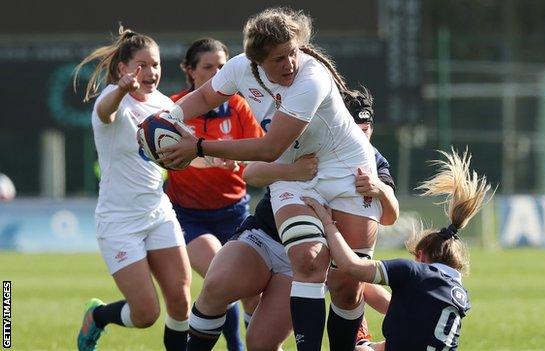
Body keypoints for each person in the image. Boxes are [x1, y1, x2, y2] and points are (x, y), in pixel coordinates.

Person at [159, 8, 383, 350]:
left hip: (345, 176)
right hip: (295, 177)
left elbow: (269, 146)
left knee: (347, 285)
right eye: (279, 58)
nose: (291, 63)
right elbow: (205, 96)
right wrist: (168, 117)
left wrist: (199, 147)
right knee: (299, 264)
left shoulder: (312, 77)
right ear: (257, 61)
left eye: (293, 52)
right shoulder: (238, 68)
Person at [181, 86, 398, 350]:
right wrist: (291, 170)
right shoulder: (304, 136)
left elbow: (388, 217)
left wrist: (381, 190)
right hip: (266, 237)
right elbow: (251, 174)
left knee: (260, 343)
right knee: (217, 284)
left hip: (308, 261)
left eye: (366, 130)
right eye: (354, 129)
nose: (360, 137)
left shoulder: (375, 163)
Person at [73, 26, 192, 351]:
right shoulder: (113, 101)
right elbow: (105, 111)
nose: (151, 71)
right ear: (124, 68)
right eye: (142, 64)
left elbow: (180, 153)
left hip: (158, 213)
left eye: (155, 64)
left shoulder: (164, 104)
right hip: (119, 223)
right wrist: (121, 90)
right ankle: (97, 317)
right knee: (145, 314)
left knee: (181, 300)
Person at [303, 148, 492, 350]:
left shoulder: (414, 272)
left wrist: (327, 223)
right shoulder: (453, 292)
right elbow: (401, 315)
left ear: (420, 255)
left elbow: (351, 266)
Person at [167, 37, 264, 351]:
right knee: (221, 275)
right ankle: (235, 344)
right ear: (189, 70)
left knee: (253, 291)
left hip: (235, 212)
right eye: (208, 67)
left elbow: (262, 152)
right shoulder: (175, 108)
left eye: (222, 66)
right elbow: (159, 154)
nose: (217, 72)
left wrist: (241, 157)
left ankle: (257, 343)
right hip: (189, 216)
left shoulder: (238, 106)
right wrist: (208, 158)